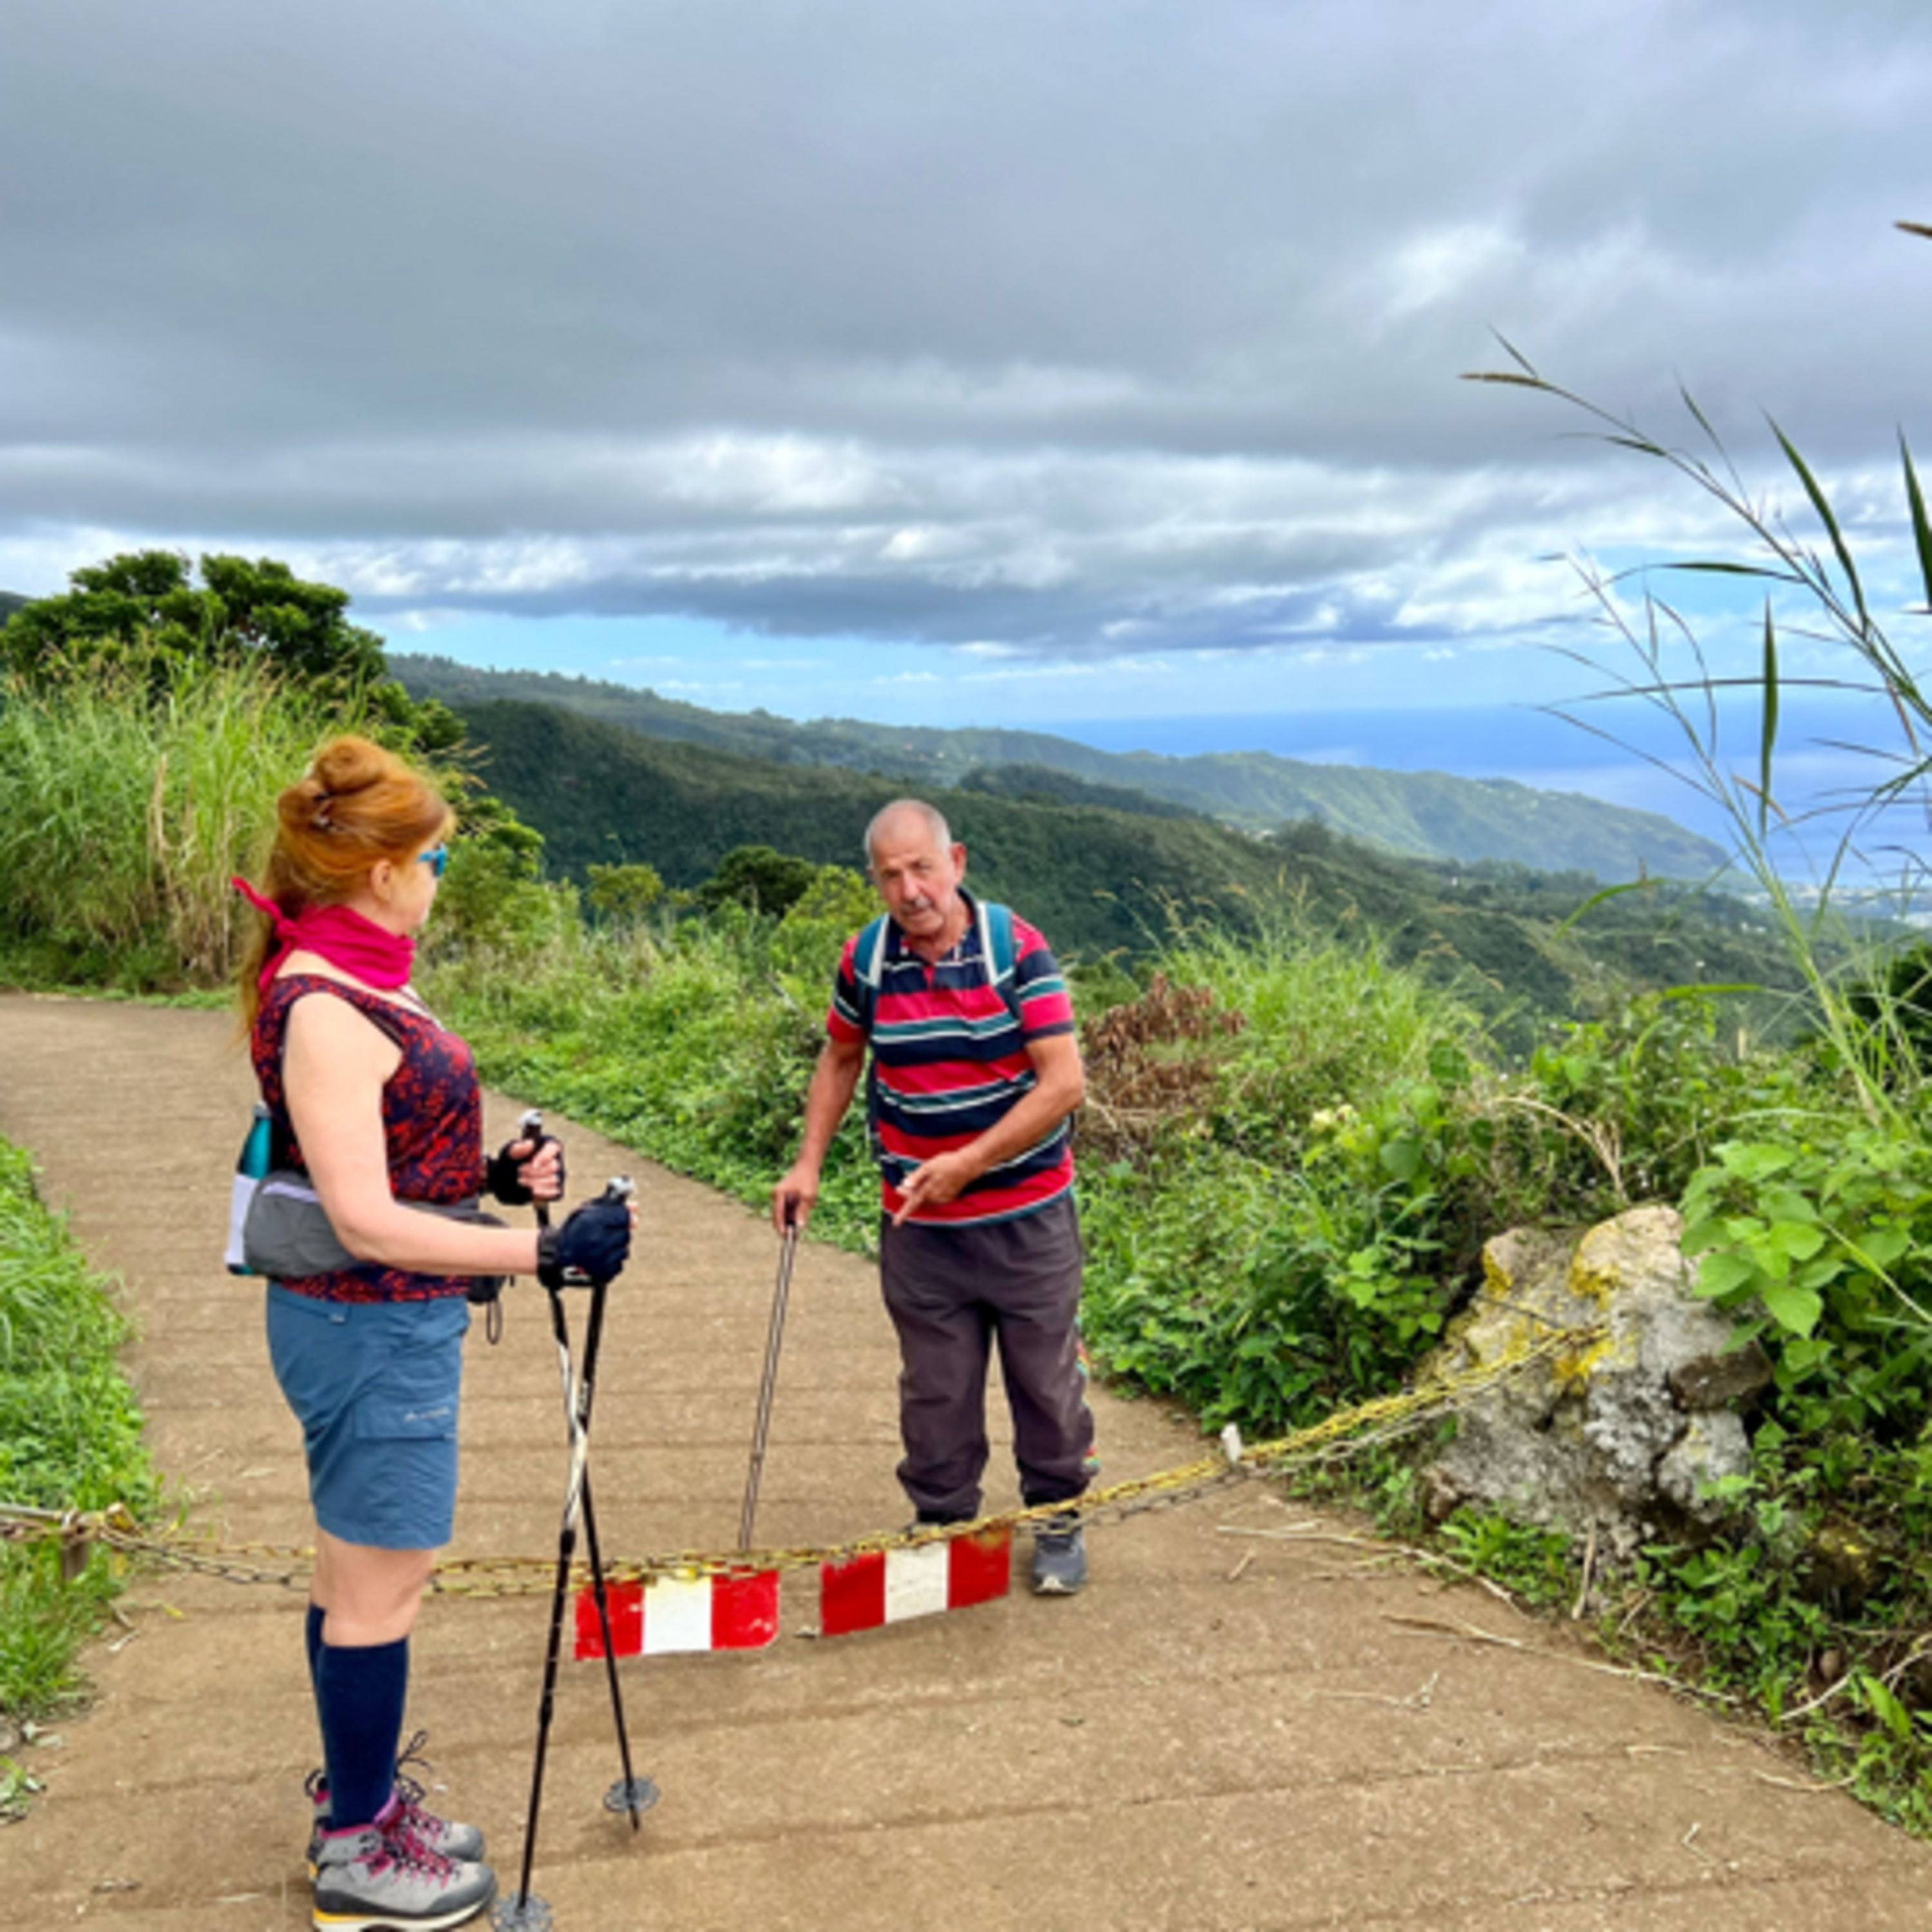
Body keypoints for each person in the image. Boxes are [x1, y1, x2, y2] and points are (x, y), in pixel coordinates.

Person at [234, 735, 632, 1932]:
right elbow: (362, 1218)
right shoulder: (325, 1006)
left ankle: (354, 1799)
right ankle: (360, 1856)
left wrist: (495, 1178)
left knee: (351, 1573)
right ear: (381, 871)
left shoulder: (363, 975)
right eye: (437, 858)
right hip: (369, 1329)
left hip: (381, 1325)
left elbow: (389, 1158)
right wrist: (545, 1254)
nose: (439, 877)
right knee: (381, 1588)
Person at [772, 799, 1095, 1595]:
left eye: (922, 868)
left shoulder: (1017, 951)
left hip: (1027, 1218)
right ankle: (944, 1524)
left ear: (957, 862)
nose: (910, 889)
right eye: (891, 875)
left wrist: (969, 1163)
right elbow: (841, 1058)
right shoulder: (866, 960)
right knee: (935, 1386)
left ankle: (1058, 1516)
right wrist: (807, 1164)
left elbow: (1063, 1084)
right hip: (919, 1224)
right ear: (875, 881)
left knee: (1045, 1380)